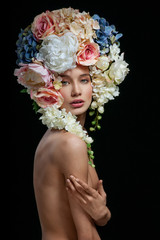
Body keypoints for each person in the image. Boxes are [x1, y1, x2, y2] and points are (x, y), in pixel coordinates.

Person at [14, 7, 129, 240]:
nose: (77, 91)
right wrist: (102, 215)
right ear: (49, 87)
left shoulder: (57, 137)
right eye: (65, 82)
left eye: (84, 80)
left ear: (96, 83)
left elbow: (96, 215)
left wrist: (103, 214)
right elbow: (86, 232)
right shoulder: (70, 144)